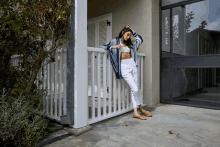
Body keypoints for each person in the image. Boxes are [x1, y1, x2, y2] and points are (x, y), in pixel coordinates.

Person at [100, 26, 152, 120]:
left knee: (134, 89)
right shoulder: (114, 41)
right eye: (127, 34)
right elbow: (103, 46)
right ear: (123, 32)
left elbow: (140, 39)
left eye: (130, 35)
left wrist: (132, 30)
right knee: (135, 88)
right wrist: (114, 47)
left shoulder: (130, 43)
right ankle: (141, 108)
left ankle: (136, 112)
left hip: (132, 65)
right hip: (124, 67)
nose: (128, 37)